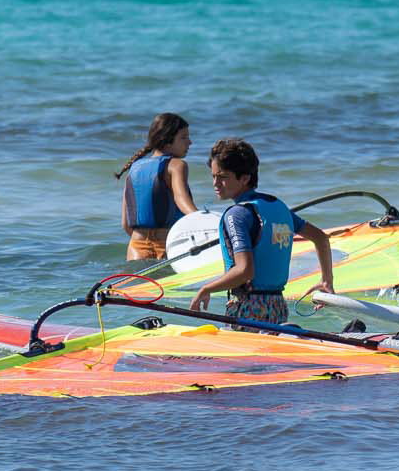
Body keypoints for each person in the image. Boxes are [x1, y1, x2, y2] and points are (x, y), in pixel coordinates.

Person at [189, 138, 336, 325]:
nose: (215, 183)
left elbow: (244, 271)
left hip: (247, 307)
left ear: (244, 178)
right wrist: (326, 281)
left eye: (223, 177)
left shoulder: (237, 215)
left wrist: (206, 289)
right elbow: (321, 238)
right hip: (278, 307)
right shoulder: (278, 207)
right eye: (213, 176)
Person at [116, 113, 197, 260]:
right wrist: (206, 221)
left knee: (140, 283)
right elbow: (181, 199)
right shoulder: (177, 165)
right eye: (184, 137)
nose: (190, 142)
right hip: (166, 246)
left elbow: (126, 223)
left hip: (136, 246)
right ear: (167, 142)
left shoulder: (134, 168)